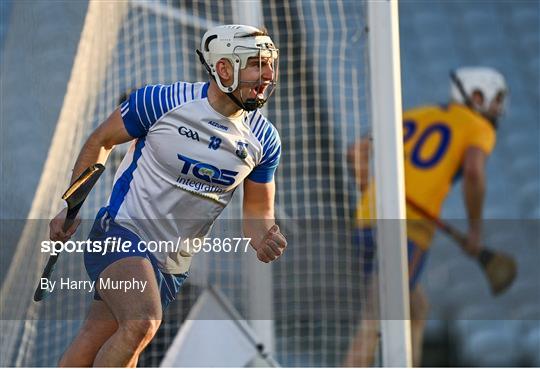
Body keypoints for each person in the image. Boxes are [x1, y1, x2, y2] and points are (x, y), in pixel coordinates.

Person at [49, 24, 287, 367]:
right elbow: (100, 141)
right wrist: (70, 209)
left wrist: (265, 235)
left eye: (270, 64)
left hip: (172, 264)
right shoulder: (162, 101)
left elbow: (257, 212)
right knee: (142, 322)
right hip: (122, 232)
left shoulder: (264, 140)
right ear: (223, 69)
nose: (267, 74)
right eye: (256, 64)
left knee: (98, 339)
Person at [343, 66, 508, 367]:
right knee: (377, 317)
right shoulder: (477, 127)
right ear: (476, 95)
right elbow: (474, 171)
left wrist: (371, 195)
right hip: (407, 231)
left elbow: (356, 151)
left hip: (366, 223)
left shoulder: (418, 114)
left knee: (416, 306)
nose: (499, 108)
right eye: (496, 99)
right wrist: (475, 231)